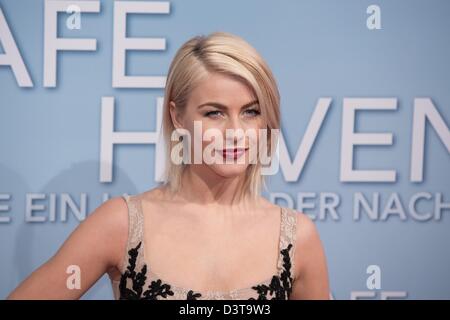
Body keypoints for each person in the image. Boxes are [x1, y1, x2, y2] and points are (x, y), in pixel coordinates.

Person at [8, 31, 329, 300]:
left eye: (250, 112)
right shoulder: (121, 225)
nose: (235, 133)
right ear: (178, 117)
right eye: (214, 113)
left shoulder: (296, 238)